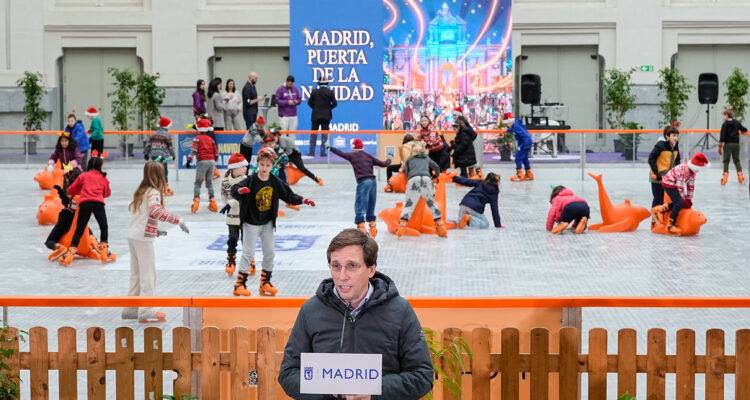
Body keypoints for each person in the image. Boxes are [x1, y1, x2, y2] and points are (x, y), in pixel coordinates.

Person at [278, 228, 434, 400]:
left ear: (371, 269)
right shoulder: (311, 311)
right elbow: (288, 374)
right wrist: (325, 389)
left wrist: (375, 391)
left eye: (352, 266)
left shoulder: (400, 311)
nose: (342, 276)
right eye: (336, 266)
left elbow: (422, 375)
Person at [230, 147, 315, 296]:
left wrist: (303, 200)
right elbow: (234, 189)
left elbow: (289, 195)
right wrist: (239, 191)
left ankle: (265, 283)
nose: (264, 168)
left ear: (272, 166)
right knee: (248, 254)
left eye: (267, 165)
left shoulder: (275, 181)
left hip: (267, 223)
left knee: (270, 253)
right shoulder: (250, 180)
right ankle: (239, 284)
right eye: (262, 165)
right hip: (251, 222)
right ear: (258, 164)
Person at [124, 161, 189, 323]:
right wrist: (178, 220)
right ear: (159, 175)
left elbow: (143, 215)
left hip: (133, 235)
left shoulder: (142, 191)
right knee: (148, 274)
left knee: (136, 274)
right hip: (142, 238)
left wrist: (154, 230)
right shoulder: (153, 192)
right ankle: (146, 310)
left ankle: (131, 308)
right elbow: (156, 211)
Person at [58, 153, 115, 266]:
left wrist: (81, 191)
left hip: (85, 204)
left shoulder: (83, 176)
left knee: (79, 229)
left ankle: (71, 253)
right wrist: (99, 194)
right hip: (98, 204)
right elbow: (107, 193)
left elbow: (70, 190)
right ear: (100, 166)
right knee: (104, 226)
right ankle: (104, 250)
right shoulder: (103, 178)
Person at [329, 138, 391, 237]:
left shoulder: (352, 156)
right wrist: (389, 159)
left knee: (360, 204)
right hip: (373, 182)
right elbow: (383, 164)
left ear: (353, 148)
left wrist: (329, 147)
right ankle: (373, 227)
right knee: (371, 204)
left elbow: (341, 153)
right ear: (363, 147)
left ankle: (361, 226)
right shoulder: (368, 156)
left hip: (363, 181)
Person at [396, 141, 447, 238]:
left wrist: (411, 179)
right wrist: (434, 175)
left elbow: (407, 172)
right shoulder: (426, 157)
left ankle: (402, 227)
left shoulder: (409, 159)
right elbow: (436, 166)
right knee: (432, 204)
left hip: (413, 179)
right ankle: (441, 228)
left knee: (409, 204)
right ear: (422, 149)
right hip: (426, 180)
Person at [653, 152, 710, 235]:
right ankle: (670, 224)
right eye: (698, 169)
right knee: (679, 202)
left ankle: (661, 209)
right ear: (694, 167)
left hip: (675, 184)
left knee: (679, 202)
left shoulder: (692, 173)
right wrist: (683, 200)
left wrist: (689, 200)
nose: (698, 172)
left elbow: (691, 186)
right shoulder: (683, 170)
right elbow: (680, 187)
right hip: (668, 183)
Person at [220, 153, 250, 276]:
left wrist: (230, 203)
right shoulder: (225, 181)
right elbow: (224, 196)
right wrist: (228, 204)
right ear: (234, 168)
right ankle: (231, 261)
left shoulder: (246, 181)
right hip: (231, 217)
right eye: (243, 166)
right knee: (232, 239)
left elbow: (243, 198)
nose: (246, 168)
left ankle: (249, 261)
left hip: (245, 216)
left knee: (246, 240)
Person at [186, 118, 219, 213]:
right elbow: (216, 153)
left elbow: (194, 150)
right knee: (209, 182)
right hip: (211, 162)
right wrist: (214, 163)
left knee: (198, 182)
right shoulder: (211, 139)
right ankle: (213, 203)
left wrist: (189, 160)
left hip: (202, 162)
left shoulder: (197, 138)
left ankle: (196, 202)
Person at [45, 168, 82, 254]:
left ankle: (59, 247)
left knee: (49, 241)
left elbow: (66, 203)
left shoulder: (69, 190)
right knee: (89, 234)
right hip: (80, 220)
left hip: (66, 220)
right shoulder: (85, 191)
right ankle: (98, 244)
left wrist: (61, 193)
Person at [648, 124, 681, 208]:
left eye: (677, 135)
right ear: (667, 136)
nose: (676, 138)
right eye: (673, 135)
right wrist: (658, 174)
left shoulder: (675, 146)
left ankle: (665, 218)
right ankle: (655, 219)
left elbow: (677, 160)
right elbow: (651, 159)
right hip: (657, 177)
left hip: (668, 178)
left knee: (667, 200)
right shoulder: (660, 146)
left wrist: (676, 173)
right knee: (658, 199)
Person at [144, 117, 176, 196]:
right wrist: (173, 155)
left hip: (154, 155)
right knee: (164, 171)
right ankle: (165, 188)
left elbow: (148, 145)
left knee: (155, 171)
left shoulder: (153, 134)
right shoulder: (167, 135)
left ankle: (155, 188)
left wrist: (146, 154)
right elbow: (170, 147)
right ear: (167, 126)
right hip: (163, 156)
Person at [307, 76, 337, 157]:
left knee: (314, 134)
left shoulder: (314, 91)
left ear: (319, 83)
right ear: (327, 83)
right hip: (326, 116)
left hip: (315, 115)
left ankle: (312, 152)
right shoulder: (330, 92)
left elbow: (309, 102)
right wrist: (328, 108)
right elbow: (335, 104)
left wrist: (315, 108)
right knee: (324, 135)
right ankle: (323, 153)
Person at [718, 108, 747, 185]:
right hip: (736, 145)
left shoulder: (724, 125)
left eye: (723, 115)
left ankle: (725, 179)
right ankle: (741, 178)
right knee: (736, 160)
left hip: (728, 145)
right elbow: (744, 129)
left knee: (726, 161)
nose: (723, 117)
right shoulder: (737, 123)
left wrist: (719, 147)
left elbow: (722, 137)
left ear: (727, 115)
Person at [503, 113, 534, 182]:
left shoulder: (516, 126)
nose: (507, 125)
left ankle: (519, 174)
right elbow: (513, 129)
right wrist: (508, 130)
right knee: (525, 159)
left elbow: (525, 135)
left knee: (518, 158)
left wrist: (525, 145)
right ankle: (529, 174)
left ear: (510, 121)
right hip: (526, 142)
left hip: (524, 143)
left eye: (507, 124)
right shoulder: (516, 125)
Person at [449, 111, 477, 178]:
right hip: (466, 150)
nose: (454, 117)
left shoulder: (463, 127)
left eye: (455, 116)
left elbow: (464, 142)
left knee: (463, 163)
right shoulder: (462, 128)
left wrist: (457, 149)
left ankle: (465, 177)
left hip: (465, 152)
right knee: (463, 164)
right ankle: (467, 175)